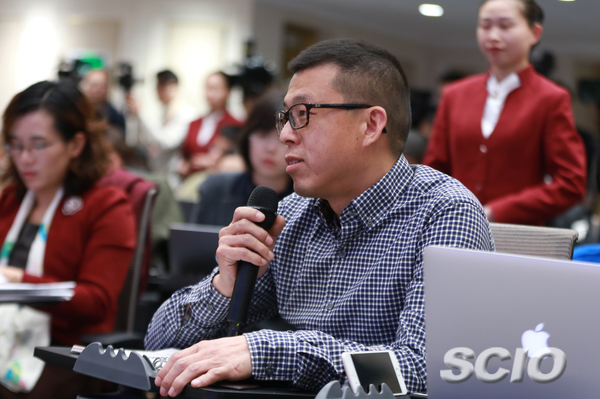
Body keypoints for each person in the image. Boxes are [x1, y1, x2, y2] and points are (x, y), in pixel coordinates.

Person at [145, 39, 493, 395]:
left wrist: (270, 351)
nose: (284, 135)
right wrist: (226, 286)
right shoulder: (293, 215)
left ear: (371, 125)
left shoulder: (444, 212)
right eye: (286, 117)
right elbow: (158, 343)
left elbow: (427, 369)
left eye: (303, 114)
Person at [0, 80, 136, 398]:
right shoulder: (11, 200)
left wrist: (18, 279)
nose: (25, 158)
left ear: (75, 145)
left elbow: (97, 301)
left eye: (38, 145)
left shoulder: (106, 206)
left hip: (63, 351)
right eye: (15, 146)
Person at [423, 0, 587, 226]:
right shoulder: (455, 94)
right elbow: (433, 170)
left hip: (516, 233)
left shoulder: (551, 98)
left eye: (505, 26)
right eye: (485, 25)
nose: (493, 35)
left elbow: (571, 183)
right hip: (453, 228)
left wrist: (497, 211)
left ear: (534, 33)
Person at [189, 91, 293, 226]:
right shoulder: (214, 189)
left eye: (281, 139)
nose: (270, 148)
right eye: (263, 135)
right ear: (247, 138)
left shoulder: (309, 202)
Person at [127, 70, 197, 188]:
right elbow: (144, 141)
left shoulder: (185, 112)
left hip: (173, 177)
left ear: (174, 86)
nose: (160, 91)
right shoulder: (164, 111)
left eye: (163, 86)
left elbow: (166, 141)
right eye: (158, 86)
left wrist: (141, 113)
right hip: (158, 170)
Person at [178, 72, 243, 178]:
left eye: (215, 88)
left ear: (227, 91)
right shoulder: (194, 124)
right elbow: (185, 155)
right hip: (190, 179)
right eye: (207, 88)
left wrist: (216, 163)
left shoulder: (236, 124)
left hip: (219, 180)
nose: (210, 94)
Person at [79, 69, 127, 137]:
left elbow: (120, 136)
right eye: (94, 85)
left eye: (101, 86)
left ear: (107, 89)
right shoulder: (76, 109)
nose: (97, 90)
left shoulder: (115, 116)